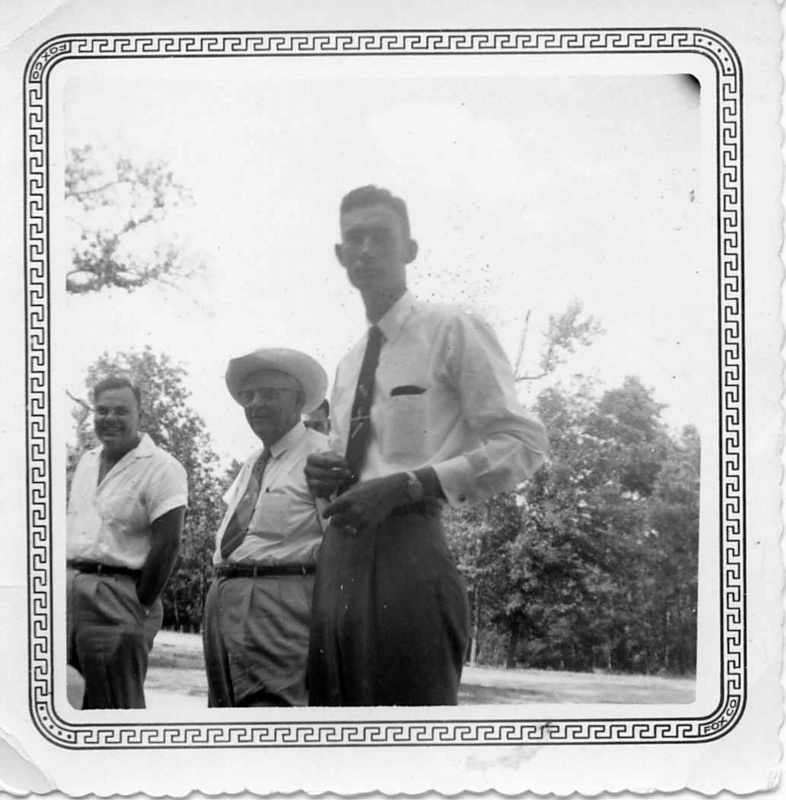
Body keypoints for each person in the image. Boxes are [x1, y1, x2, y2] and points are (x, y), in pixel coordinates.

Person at [305, 185, 549, 706]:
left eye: (381, 236)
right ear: (340, 255)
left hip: (410, 553)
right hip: (338, 556)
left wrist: (410, 484)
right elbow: (348, 469)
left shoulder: (452, 329)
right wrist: (322, 476)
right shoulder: (348, 365)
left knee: (411, 728)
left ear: (410, 249)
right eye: (354, 238)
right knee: (333, 725)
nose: (366, 249)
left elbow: (523, 442)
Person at [202, 348, 329, 707]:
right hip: (224, 598)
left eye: (269, 394)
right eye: (249, 396)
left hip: (279, 604)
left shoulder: (323, 455)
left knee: (270, 712)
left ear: (298, 400)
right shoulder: (252, 462)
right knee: (224, 713)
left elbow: (341, 548)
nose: (256, 404)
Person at [67, 376, 187, 709]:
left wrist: (138, 606)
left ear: (139, 414)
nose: (110, 418)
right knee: (70, 701)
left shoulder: (162, 468)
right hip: (70, 593)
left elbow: (168, 544)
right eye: (102, 410)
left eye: (121, 411)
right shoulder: (87, 461)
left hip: (118, 597)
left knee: (115, 707)